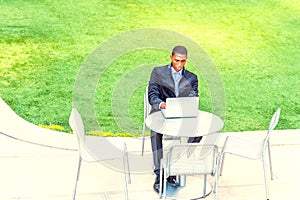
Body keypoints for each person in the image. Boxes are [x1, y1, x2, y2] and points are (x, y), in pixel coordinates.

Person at [148, 46, 202, 193]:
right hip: (161, 113)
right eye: (177, 60)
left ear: (186, 60)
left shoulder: (192, 77)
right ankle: (159, 173)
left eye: (183, 61)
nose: (179, 64)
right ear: (171, 58)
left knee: (198, 133)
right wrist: (163, 105)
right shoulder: (158, 72)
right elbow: (152, 96)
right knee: (155, 133)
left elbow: (193, 96)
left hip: (181, 115)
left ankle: (175, 165)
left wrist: (186, 106)